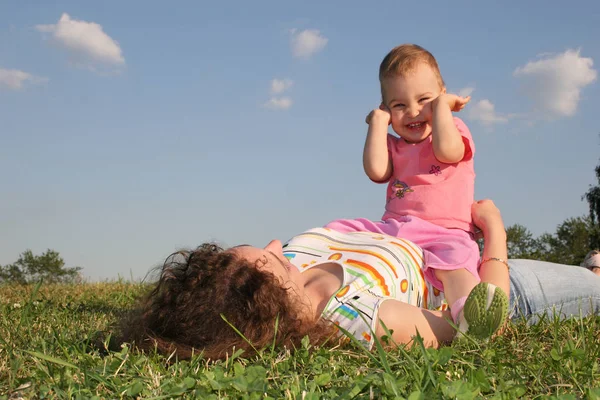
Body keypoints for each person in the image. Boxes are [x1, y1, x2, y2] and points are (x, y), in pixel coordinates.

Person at [117, 200, 600, 360]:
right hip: (503, 286)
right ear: (266, 301)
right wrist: (495, 231)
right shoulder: (360, 317)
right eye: (269, 260)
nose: (273, 244)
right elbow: (477, 326)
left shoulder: (297, 261)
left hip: (444, 244)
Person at [362, 44, 497, 335]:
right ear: (386, 109)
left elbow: (447, 151)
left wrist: (443, 111)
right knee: (347, 231)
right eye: (398, 105)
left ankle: (471, 315)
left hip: (446, 232)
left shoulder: (454, 128)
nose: (413, 111)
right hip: (397, 228)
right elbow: (376, 171)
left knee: (457, 265)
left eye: (424, 100)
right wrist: (377, 124)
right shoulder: (394, 145)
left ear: (442, 95)